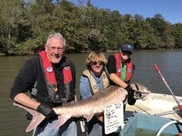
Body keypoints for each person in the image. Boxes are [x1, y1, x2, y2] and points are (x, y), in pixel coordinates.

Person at [10, 33, 77, 136]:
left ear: (64, 49)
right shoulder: (33, 64)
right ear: (46, 48)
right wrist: (40, 107)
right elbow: (15, 94)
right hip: (45, 121)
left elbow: (73, 93)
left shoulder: (70, 66)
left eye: (59, 48)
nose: (56, 52)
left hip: (68, 120)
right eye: (52, 48)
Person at [79, 51, 118, 136]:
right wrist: (107, 121)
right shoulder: (84, 80)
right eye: (94, 62)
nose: (97, 65)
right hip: (90, 112)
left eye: (100, 62)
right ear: (89, 64)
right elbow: (89, 105)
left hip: (105, 110)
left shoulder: (107, 75)